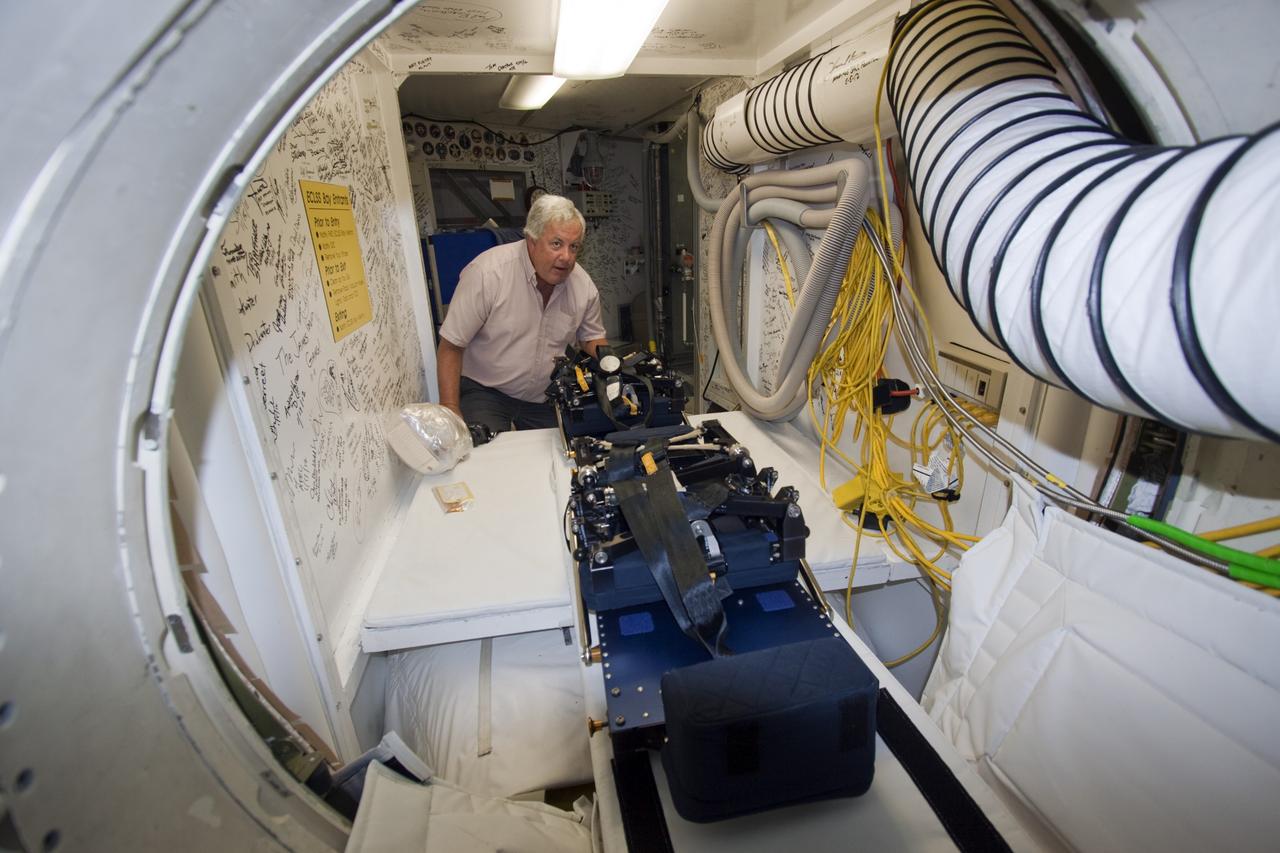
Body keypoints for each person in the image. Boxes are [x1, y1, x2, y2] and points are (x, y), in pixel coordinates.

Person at [436, 194, 607, 434]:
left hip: (543, 397)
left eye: (574, 246)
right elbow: (451, 346)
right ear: (532, 240)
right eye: (556, 244)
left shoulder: (583, 286)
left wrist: (612, 364)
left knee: (563, 450)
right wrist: (450, 408)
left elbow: (591, 338)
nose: (566, 257)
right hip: (486, 391)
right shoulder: (488, 274)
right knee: (488, 451)